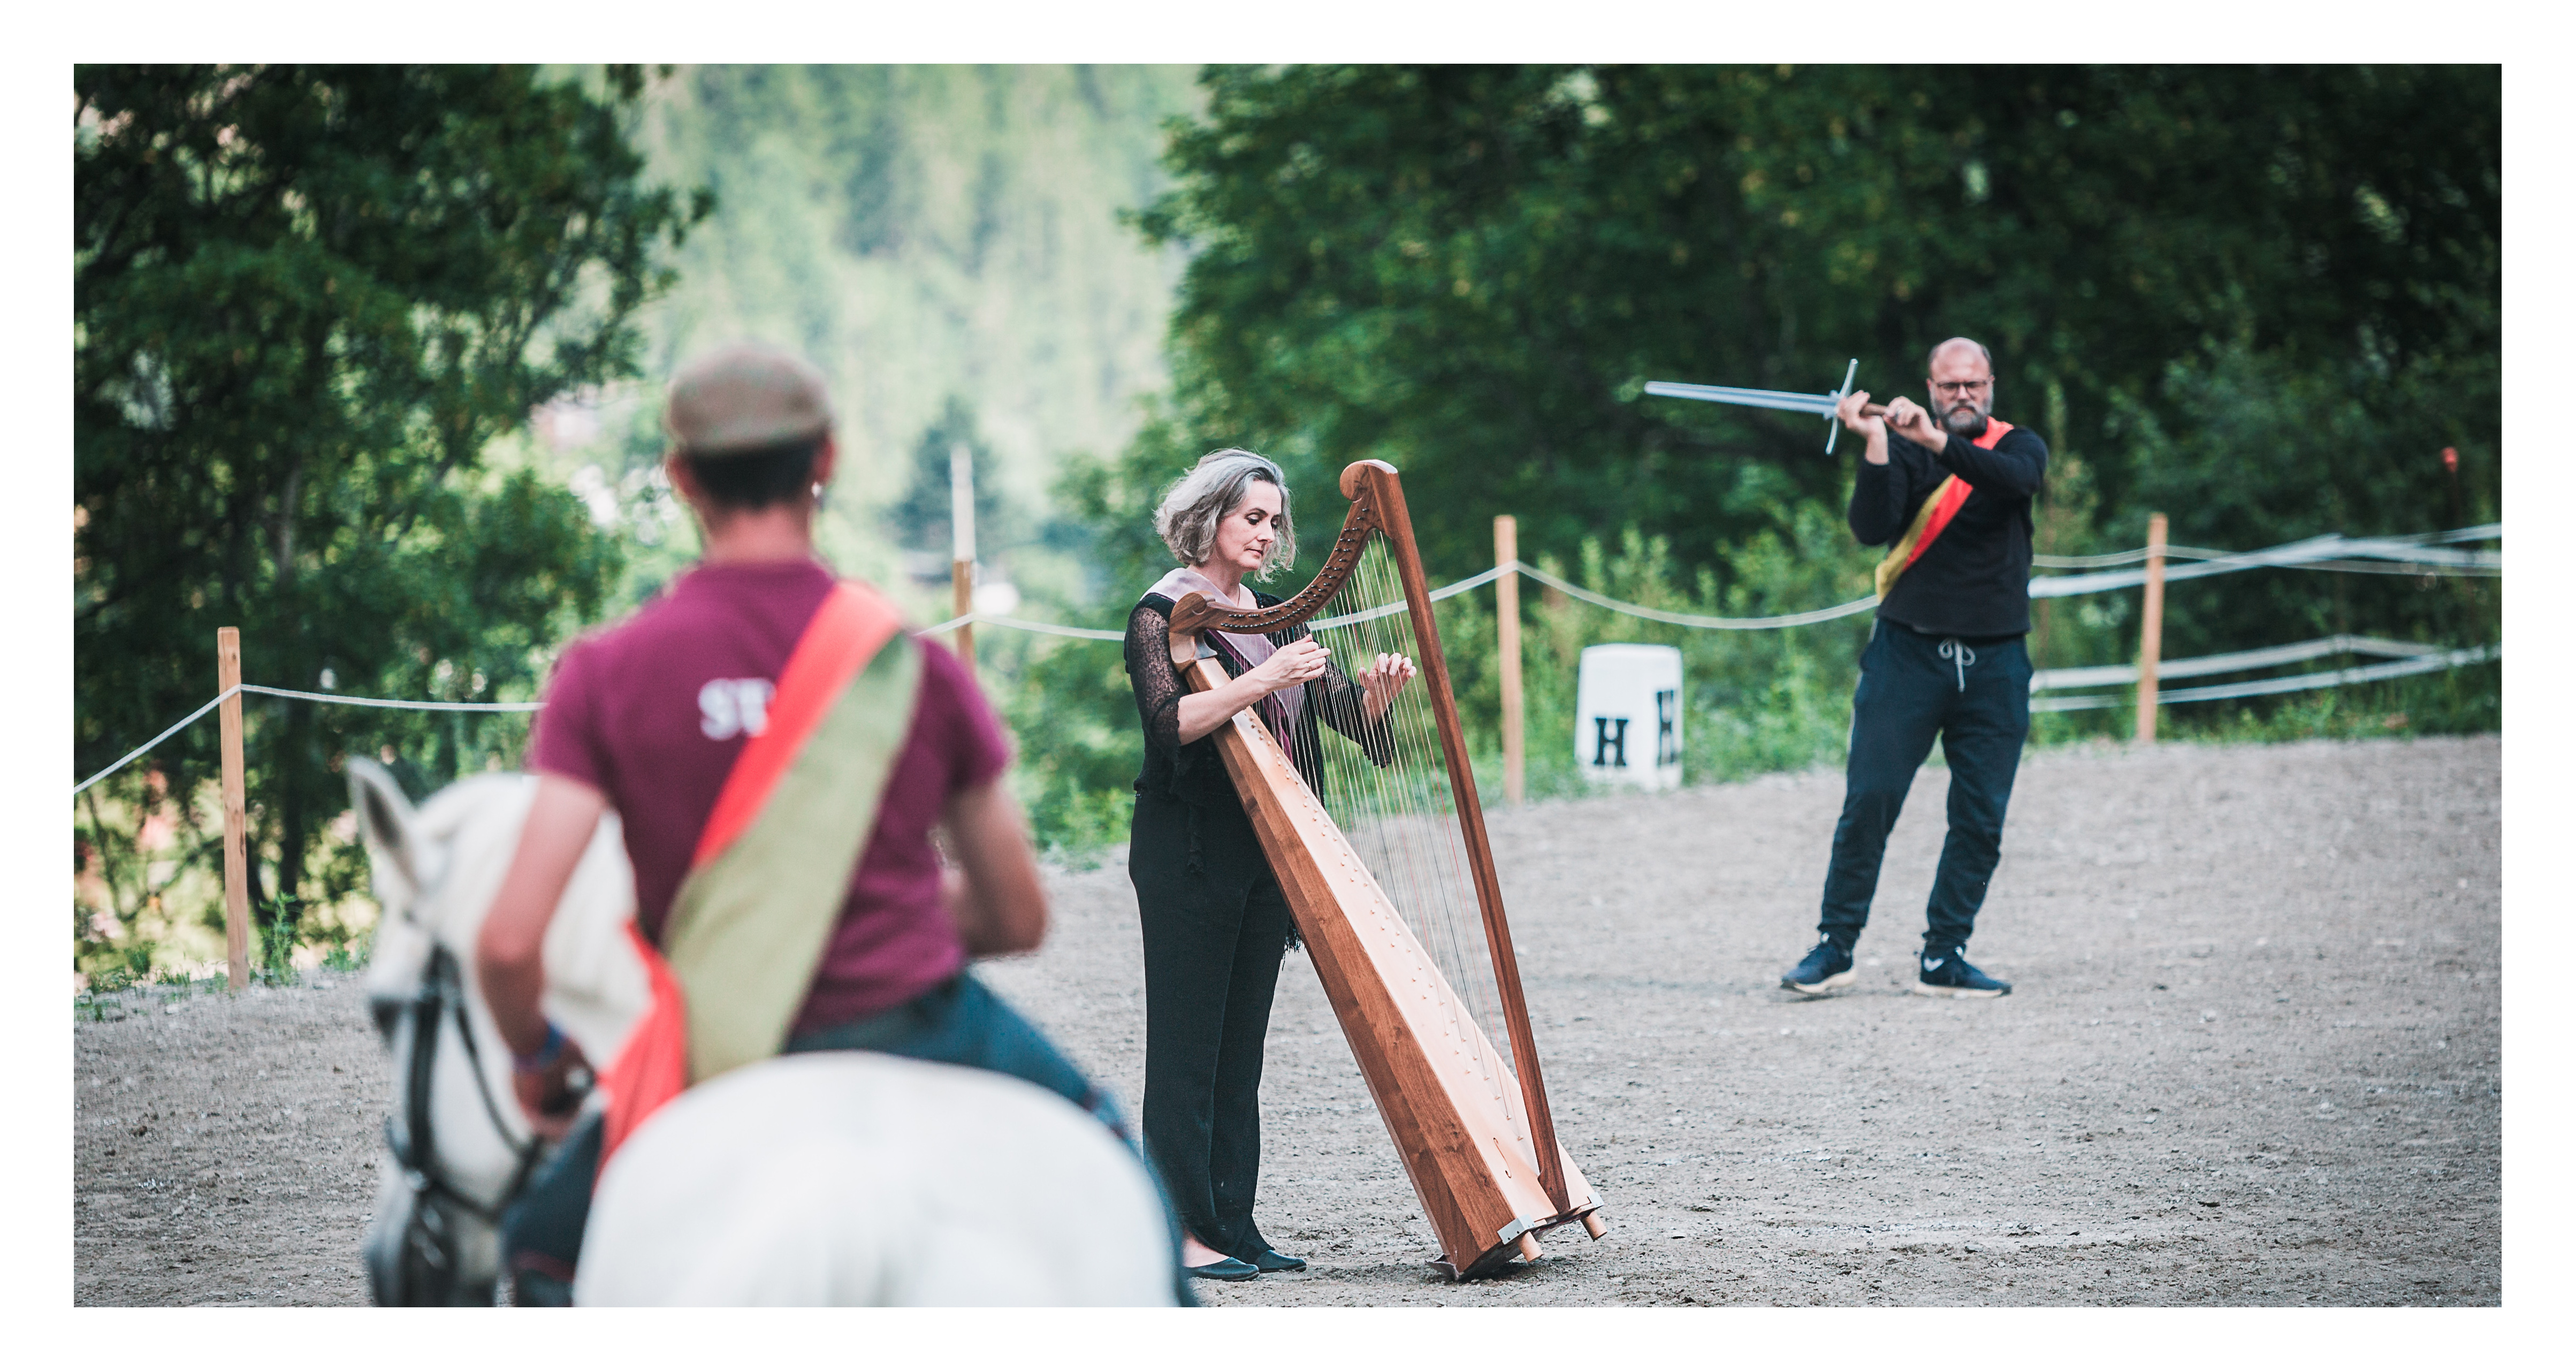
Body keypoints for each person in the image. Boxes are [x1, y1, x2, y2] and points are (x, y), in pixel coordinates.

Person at [475, 342, 1139, 1305]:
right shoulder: (910, 666)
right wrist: (886, 909)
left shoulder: (605, 674)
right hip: (922, 1025)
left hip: (721, 1046)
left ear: (681, 477)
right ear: (824, 460)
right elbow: (1016, 915)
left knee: (540, 1252)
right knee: (1113, 1163)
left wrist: (539, 1060)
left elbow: (506, 943)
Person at [1121, 450, 1417, 1281]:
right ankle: (1181, 1232)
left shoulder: (1272, 616)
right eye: (1252, 516)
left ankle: (1235, 1226)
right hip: (1187, 853)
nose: (1267, 532)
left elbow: (1333, 718)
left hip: (1266, 851)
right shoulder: (1162, 612)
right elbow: (1167, 723)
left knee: (1238, 1051)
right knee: (1185, 1050)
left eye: (1274, 519)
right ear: (1208, 517)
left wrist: (1373, 700)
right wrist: (1265, 680)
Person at [1781, 337, 2049, 1000]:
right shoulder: (1902, 447)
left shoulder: (2019, 447)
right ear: (1929, 387)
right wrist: (1875, 441)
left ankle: (1944, 954)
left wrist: (1933, 442)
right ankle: (1834, 946)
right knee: (1869, 802)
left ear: (1990, 386)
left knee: (1980, 816)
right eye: (1950, 385)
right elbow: (1871, 527)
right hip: (1907, 655)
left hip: (1994, 663)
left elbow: (2010, 483)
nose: (1963, 395)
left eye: (1974, 384)